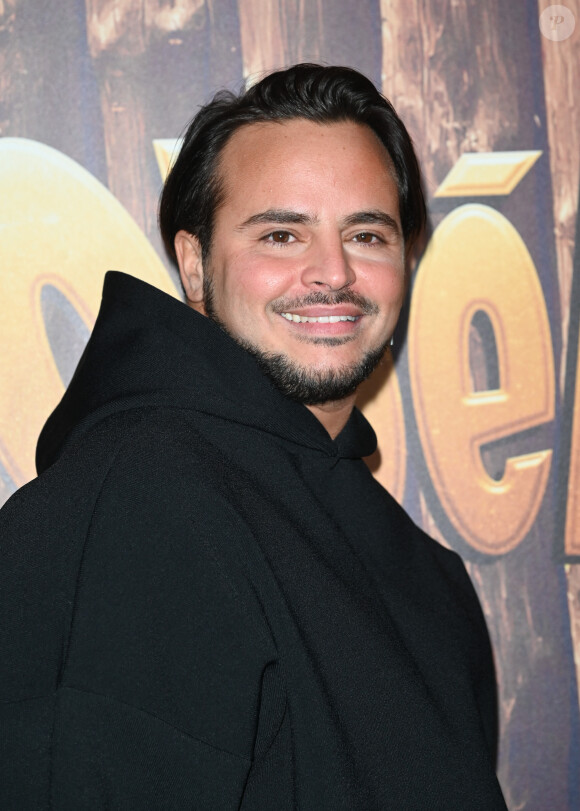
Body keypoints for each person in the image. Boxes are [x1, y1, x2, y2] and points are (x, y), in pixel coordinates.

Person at [0, 64, 507, 809]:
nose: (332, 273)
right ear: (196, 266)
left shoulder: (425, 573)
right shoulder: (140, 497)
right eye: (281, 233)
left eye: (367, 233)